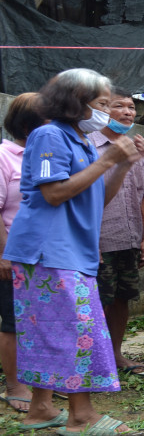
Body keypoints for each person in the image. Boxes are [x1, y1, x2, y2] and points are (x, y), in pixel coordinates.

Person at [3, 68, 144, 433]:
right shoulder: (48, 134)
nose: (107, 111)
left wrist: (123, 163)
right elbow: (53, 193)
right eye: (102, 104)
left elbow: (97, 199)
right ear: (76, 103)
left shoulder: (81, 140)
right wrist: (108, 160)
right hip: (47, 252)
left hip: (69, 251)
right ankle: (81, 416)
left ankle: (40, 409)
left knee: (47, 331)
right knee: (76, 330)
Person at [87, 87, 144, 378]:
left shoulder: (136, 147)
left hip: (128, 239)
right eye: (120, 106)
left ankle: (115, 355)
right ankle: (93, 362)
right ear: (100, 110)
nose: (128, 112)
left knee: (122, 299)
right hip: (97, 241)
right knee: (96, 302)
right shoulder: (87, 145)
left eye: (131, 107)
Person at [0, 93, 45, 413]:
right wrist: (4, 254)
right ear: (31, 125)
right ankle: (14, 384)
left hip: (49, 253)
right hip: (15, 254)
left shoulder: (46, 154)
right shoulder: (5, 156)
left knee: (43, 320)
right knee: (14, 322)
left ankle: (41, 381)